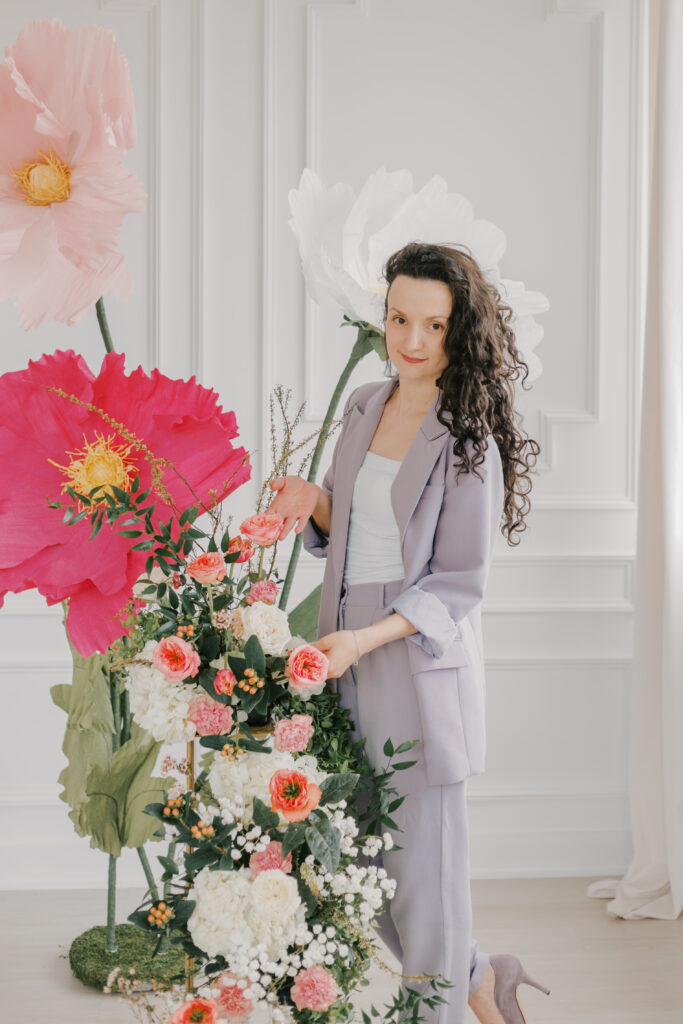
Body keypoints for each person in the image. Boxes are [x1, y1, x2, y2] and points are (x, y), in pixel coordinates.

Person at [268, 242, 550, 1024]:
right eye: (399, 319)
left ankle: (444, 1007)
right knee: (359, 860)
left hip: (411, 658)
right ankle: (479, 975)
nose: (412, 341)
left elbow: (456, 583)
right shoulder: (365, 403)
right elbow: (354, 530)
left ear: (461, 331)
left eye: (433, 324)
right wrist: (312, 500)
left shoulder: (467, 437)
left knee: (424, 874)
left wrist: (364, 641)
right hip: (340, 644)